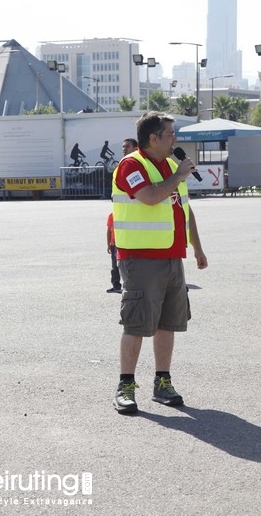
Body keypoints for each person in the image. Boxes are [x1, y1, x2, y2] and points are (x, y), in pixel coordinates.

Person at [111, 112, 208, 414]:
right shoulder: (131, 165)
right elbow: (151, 197)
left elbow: (183, 209)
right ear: (153, 138)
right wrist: (179, 175)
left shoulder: (168, 166)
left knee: (168, 323)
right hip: (140, 259)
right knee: (137, 323)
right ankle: (125, 386)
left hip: (171, 255)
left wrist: (197, 248)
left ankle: (162, 382)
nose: (175, 139)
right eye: (170, 134)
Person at [106, 138, 137, 294]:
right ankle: (118, 284)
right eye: (123, 147)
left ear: (136, 147)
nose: (124, 149)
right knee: (117, 264)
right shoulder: (122, 166)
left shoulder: (137, 166)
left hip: (134, 232)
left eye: (127, 146)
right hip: (121, 232)